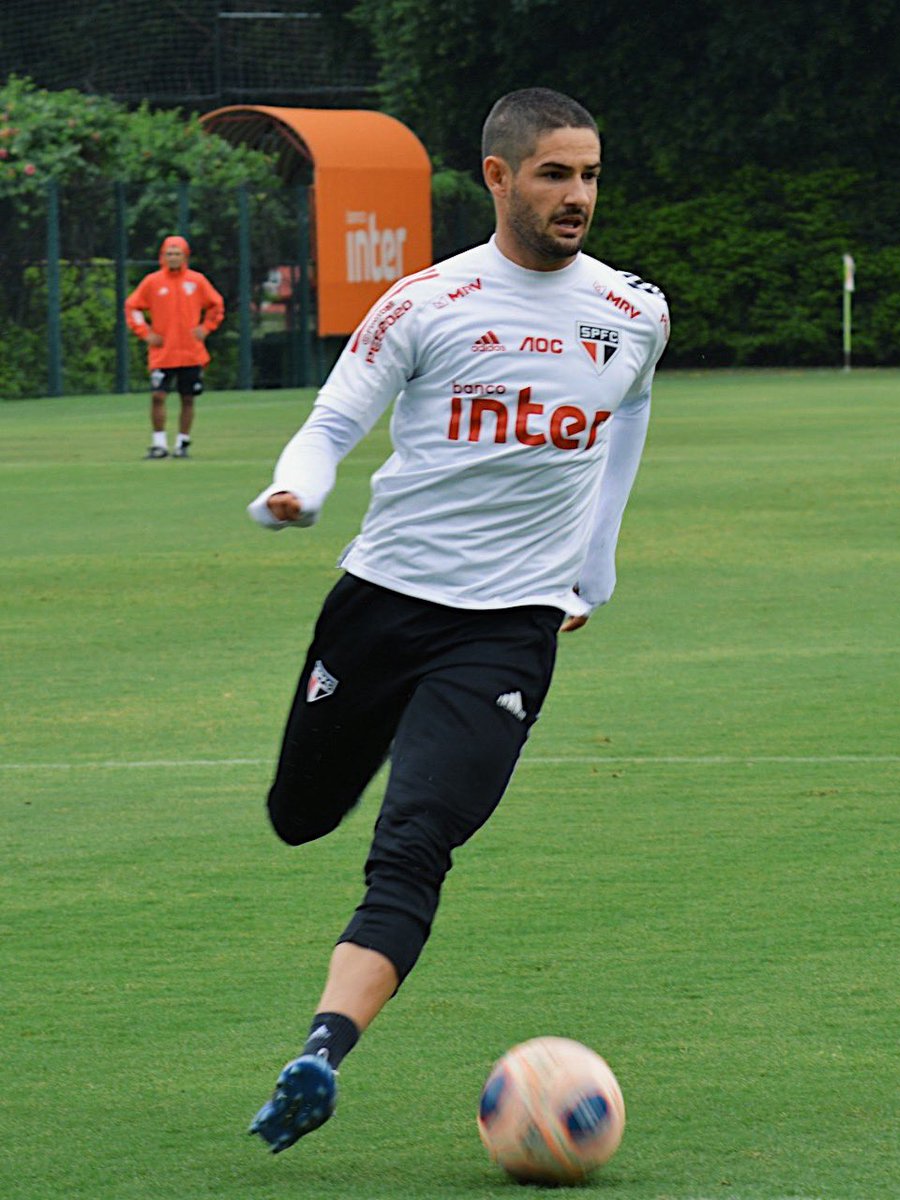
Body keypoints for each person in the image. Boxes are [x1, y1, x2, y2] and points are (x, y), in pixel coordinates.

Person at [245, 86, 670, 1154]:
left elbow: (626, 426)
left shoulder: (632, 312)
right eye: (553, 174)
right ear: (497, 177)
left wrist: (591, 573)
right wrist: (296, 490)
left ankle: (321, 1051)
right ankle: (397, 717)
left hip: (507, 628)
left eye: (588, 174)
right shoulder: (426, 302)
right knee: (299, 815)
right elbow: (332, 423)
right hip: (382, 605)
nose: (576, 196)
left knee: (415, 844)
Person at [124, 235, 224, 459]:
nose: (173, 257)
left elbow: (216, 305)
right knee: (158, 396)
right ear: (162, 256)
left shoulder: (197, 281)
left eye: (177, 253)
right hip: (163, 353)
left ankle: (182, 443)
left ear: (185, 256)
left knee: (187, 398)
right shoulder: (152, 282)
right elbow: (132, 307)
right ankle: (159, 444)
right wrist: (146, 333)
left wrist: (206, 328)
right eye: (169, 253)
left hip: (190, 353)